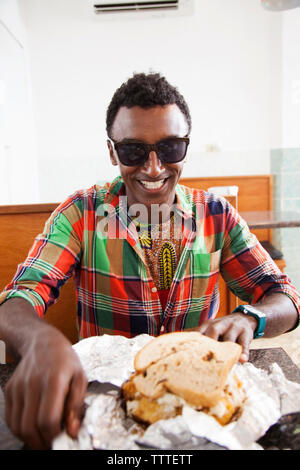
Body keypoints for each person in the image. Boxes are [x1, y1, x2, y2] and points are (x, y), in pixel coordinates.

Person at [0, 72, 299, 450]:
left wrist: (249, 318)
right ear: (112, 152)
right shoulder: (82, 213)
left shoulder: (216, 216)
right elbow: (19, 298)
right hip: (104, 411)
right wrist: (41, 340)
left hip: (199, 413)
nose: (154, 167)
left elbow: (284, 296)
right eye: (133, 151)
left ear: (186, 149)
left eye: (170, 148)